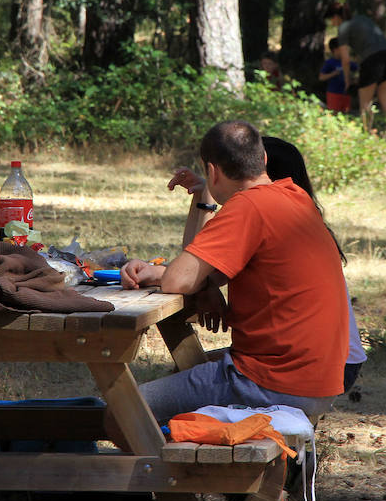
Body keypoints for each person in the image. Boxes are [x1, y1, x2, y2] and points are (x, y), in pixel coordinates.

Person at [120, 121, 349, 425]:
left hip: (272, 382)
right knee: (186, 371)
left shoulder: (247, 206)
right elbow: (211, 273)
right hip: (318, 380)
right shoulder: (295, 196)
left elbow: (179, 280)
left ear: (212, 171)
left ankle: (174, 469)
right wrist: (171, 276)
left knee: (123, 412)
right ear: (263, 159)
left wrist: (162, 273)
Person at [261, 136, 366, 391]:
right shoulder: (304, 218)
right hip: (338, 360)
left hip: (323, 365)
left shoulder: (274, 221)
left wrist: (205, 200)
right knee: (200, 368)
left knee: (194, 373)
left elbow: (194, 275)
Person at [326, 2, 386, 135]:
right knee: (385, 98)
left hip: (372, 59)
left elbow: (345, 59)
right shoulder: (362, 19)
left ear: (336, 16)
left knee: (365, 101)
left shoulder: (343, 28)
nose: (332, 23)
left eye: (331, 19)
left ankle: (367, 135)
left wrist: (347, 80)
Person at [318, 37, 356, 113]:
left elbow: (356, 69)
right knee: (334, 113)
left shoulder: (348, 62)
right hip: (334, 93)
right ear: (335, 50)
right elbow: (321, 77)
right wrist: (333, 74)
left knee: (346, 114)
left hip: (346, 93)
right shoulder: (330, 63)